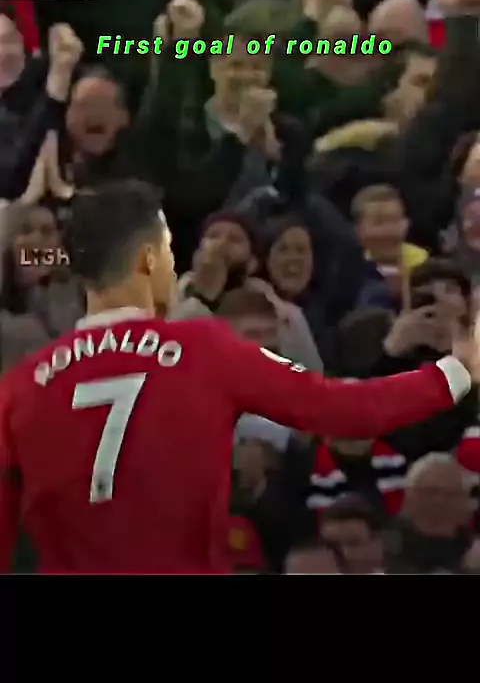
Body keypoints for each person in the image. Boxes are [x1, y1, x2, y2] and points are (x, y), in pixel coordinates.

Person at [0, 180, 475, 575]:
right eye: (168, 250)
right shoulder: (204, 349)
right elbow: (345, 410)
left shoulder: (21, 387)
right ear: (147, 258)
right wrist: (455, 372)